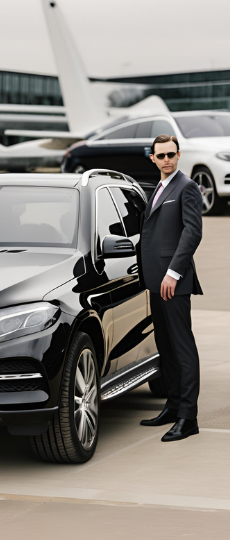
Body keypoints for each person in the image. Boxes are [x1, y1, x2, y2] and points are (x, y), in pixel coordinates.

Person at [139, 134, 203, 442]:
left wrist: (174, 273)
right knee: (165, 347)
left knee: (182, 348)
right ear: (153, 158)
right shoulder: (157, 189)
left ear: (179, 156)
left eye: (171, 154)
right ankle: (173, 405)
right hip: (155, 281)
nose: (166, 159)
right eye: (160, 155)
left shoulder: (186, 187)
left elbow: (192, 232)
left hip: (173, 283)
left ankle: (188, 418)